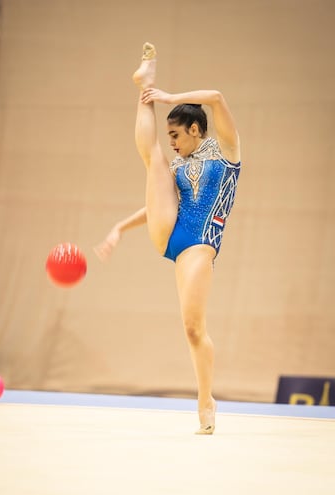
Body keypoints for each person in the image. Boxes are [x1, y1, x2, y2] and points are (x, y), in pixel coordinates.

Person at [95, 42, 241, 434]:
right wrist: (119, 229)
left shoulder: (226, 152)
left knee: (193, 329)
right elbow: (157, 206)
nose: (173, 141)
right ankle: (145, 81)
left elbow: (216, 97)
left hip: (199, 243)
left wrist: (172, 97)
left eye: (176, 134)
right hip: (172, 236)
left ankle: (205, 399)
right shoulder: (177, 165)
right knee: (151, 159)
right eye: (169, 134)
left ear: (196, 129)